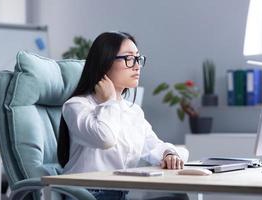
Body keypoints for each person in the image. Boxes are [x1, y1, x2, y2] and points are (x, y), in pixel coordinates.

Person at [57, 31, 189, 200]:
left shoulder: (132, 111)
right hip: (87, 194)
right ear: (104, 63)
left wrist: (169, 154)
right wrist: (110, 101)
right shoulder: (76, 106)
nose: (136, 65)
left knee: (178, 198)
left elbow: (153, 146)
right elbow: (105, 138)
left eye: (138, 58)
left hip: (120, 193)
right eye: (128, 58)